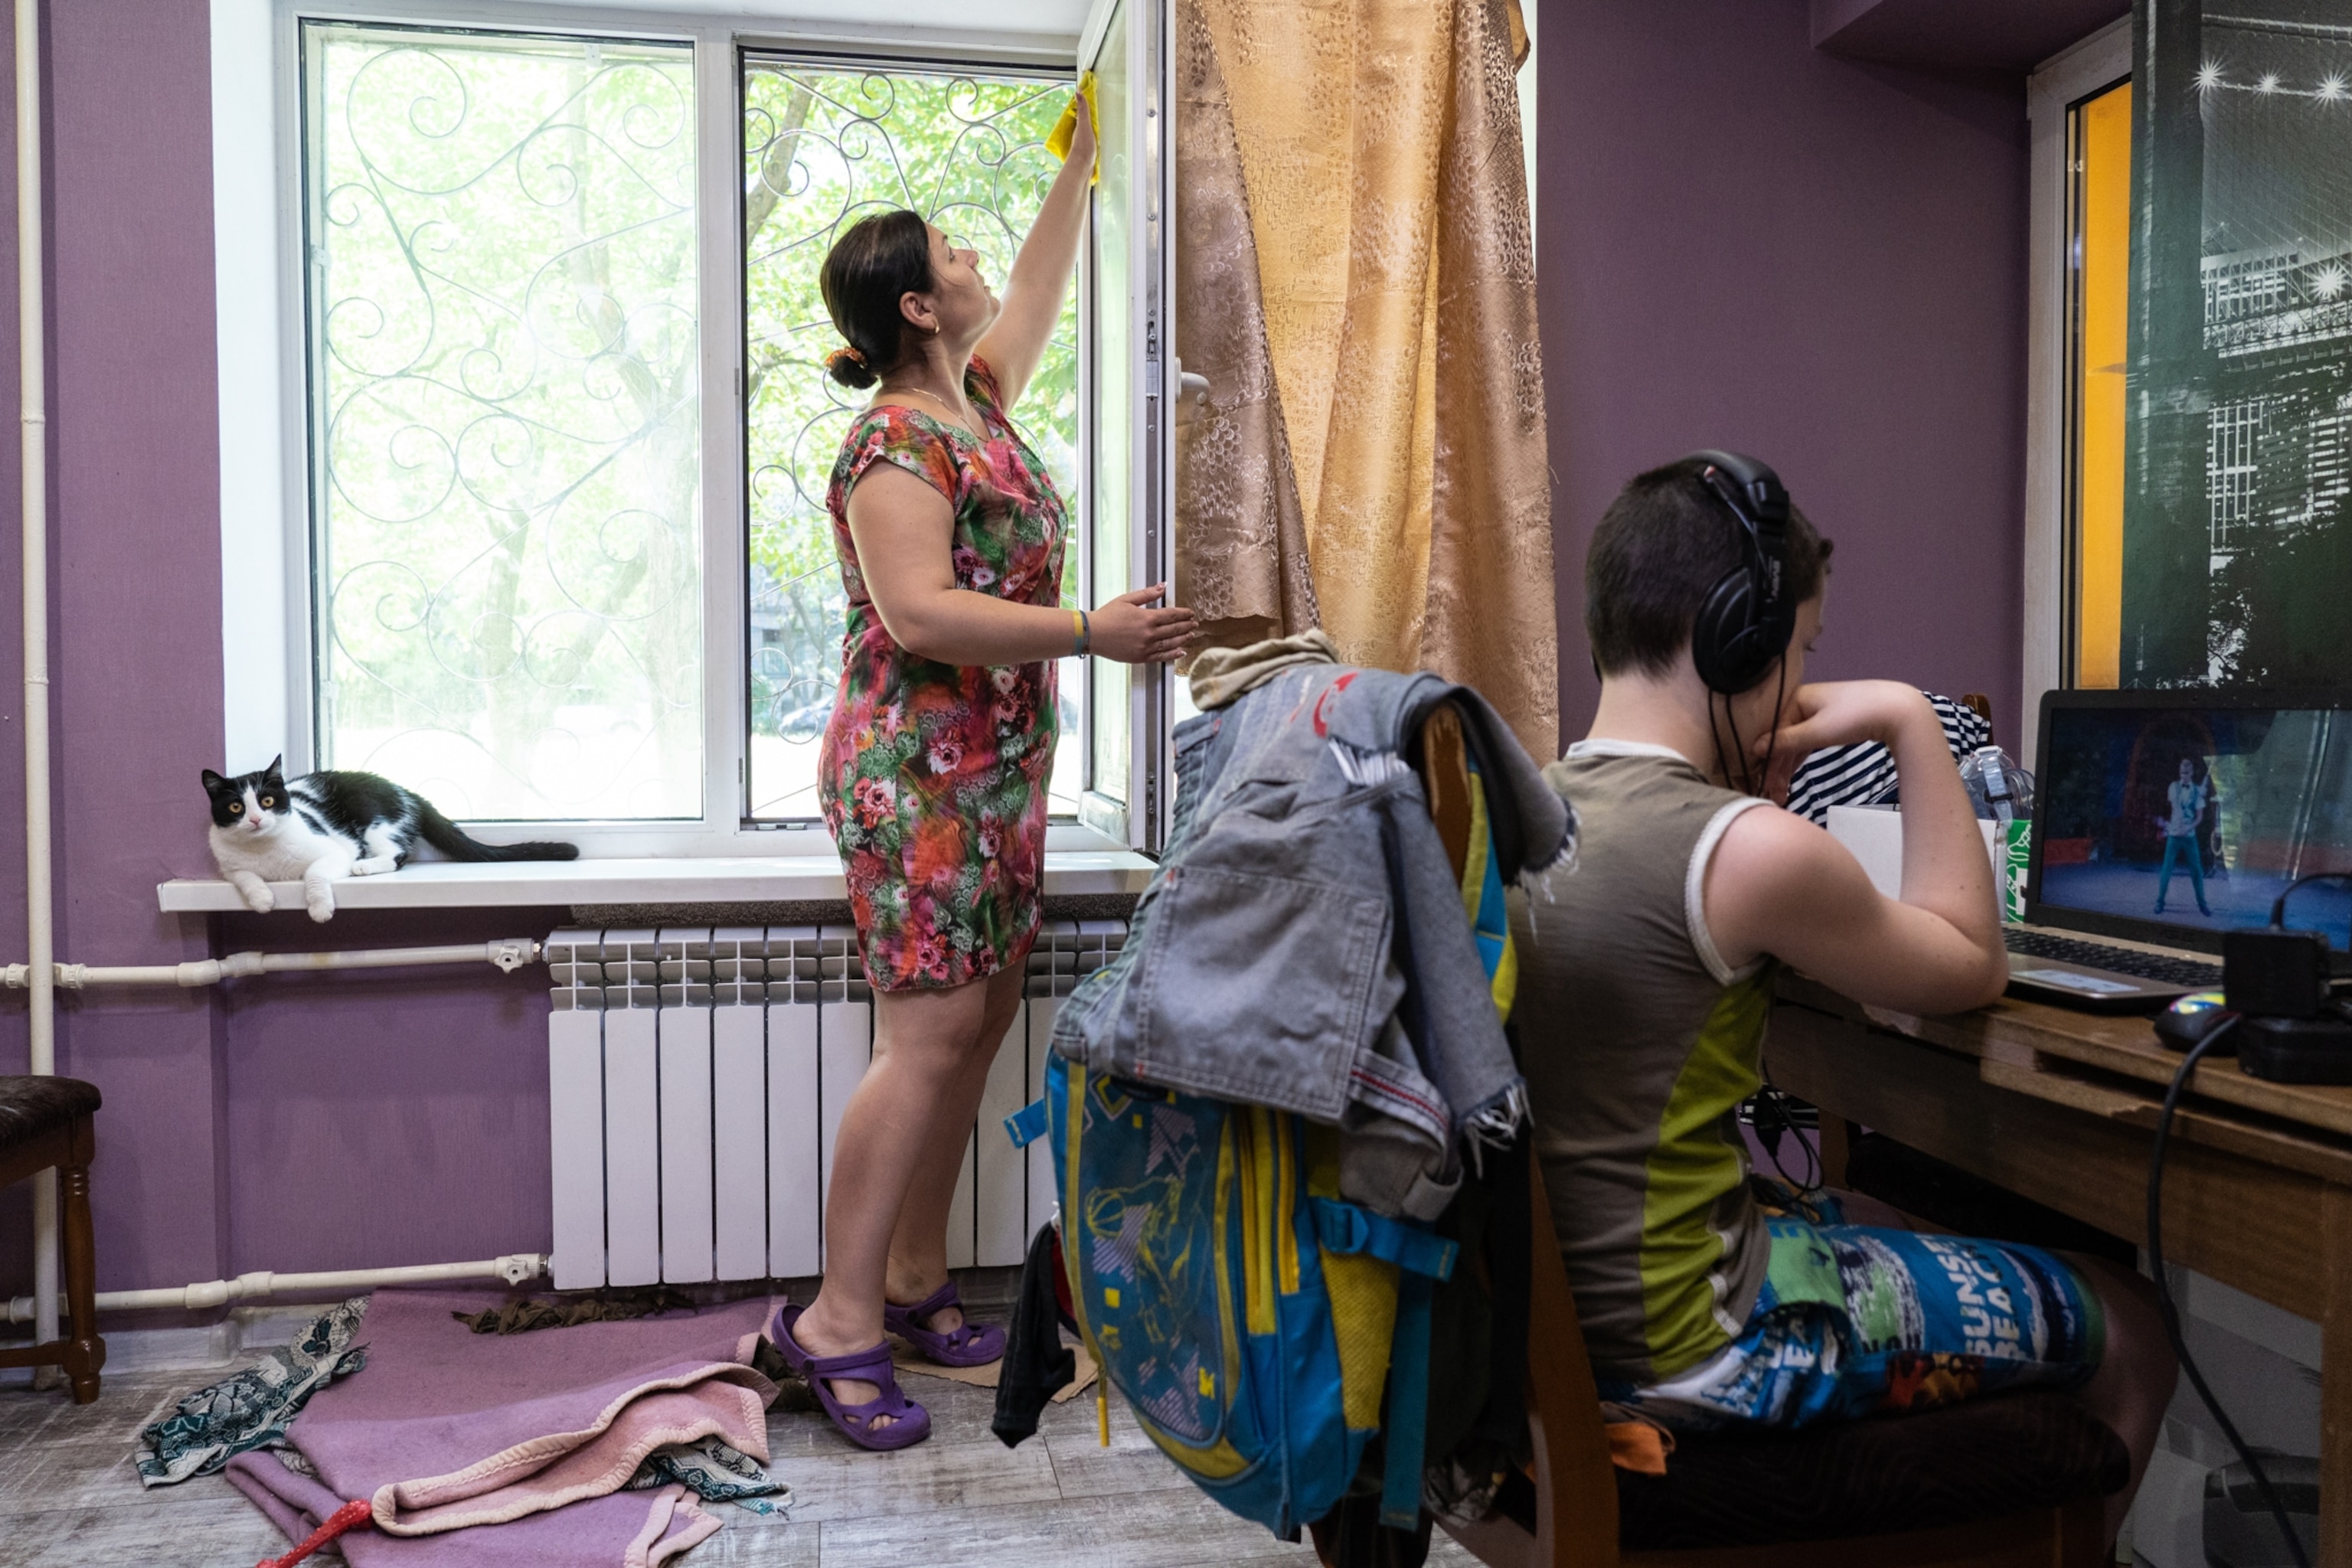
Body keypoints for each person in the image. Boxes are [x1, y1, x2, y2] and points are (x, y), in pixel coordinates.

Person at [1511, 456, 2175, 1544]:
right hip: (1698, 1347)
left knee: (1869, 1209)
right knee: (2137, 1319)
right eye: (1803, 649)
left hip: (1561, 1332)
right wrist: (1912, 720)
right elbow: (1970, 959)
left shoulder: (1529, 806)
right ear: (1733, 638)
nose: (1805, 677)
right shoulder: (1748, 854)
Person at [773, 93, 1197, 1451]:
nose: (972, 265)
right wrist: (1093, 630)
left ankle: (905, 1280)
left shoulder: (984, 405)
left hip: (997, 773)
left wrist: (1083, 156)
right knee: (926, 1042)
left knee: (967, 1033)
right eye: (948, 254)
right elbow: (919, 614)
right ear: (909, 305)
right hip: (917, 774)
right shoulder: (895, 441)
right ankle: (834, 1320)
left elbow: (1033, 281)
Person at [2154, 756, 2212, 916]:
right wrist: (2178, 827)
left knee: (2196, 870)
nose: (2183, 776)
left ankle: (2202, 904)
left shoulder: (2197, 791)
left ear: (2192, 773)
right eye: (2181, 773)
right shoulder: (2173, 787)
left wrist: (2188, 827)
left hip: (2189, 835)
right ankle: (2160, 902)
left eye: (2186, 773)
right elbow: (2176, 807)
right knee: (2167, 869)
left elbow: (2199, 817)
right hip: (2174, 834)